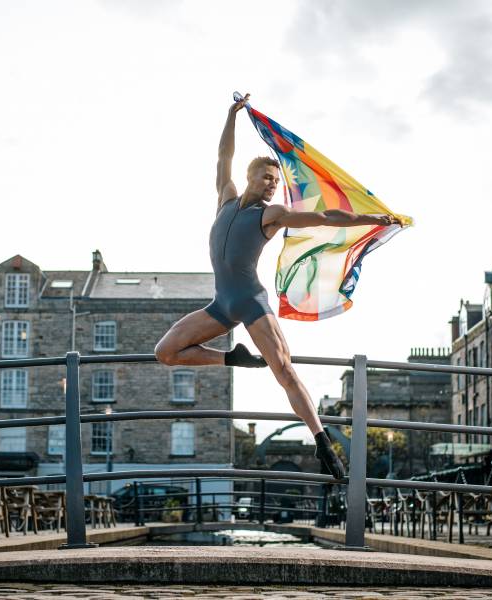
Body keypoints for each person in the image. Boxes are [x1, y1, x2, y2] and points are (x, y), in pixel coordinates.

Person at [154, 94, 399, 479]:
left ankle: (322, 442)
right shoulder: (225, 198)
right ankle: (231, 358)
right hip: (221, 305)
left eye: (276, 180)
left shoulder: (271, 215)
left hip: (251, 303)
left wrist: (372, 218)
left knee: (283, 369)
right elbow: (223, 157)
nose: (272, 185)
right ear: (251, 176)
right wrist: (232, 116)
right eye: (267, 178)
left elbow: (324, 216)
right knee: (166, 351)